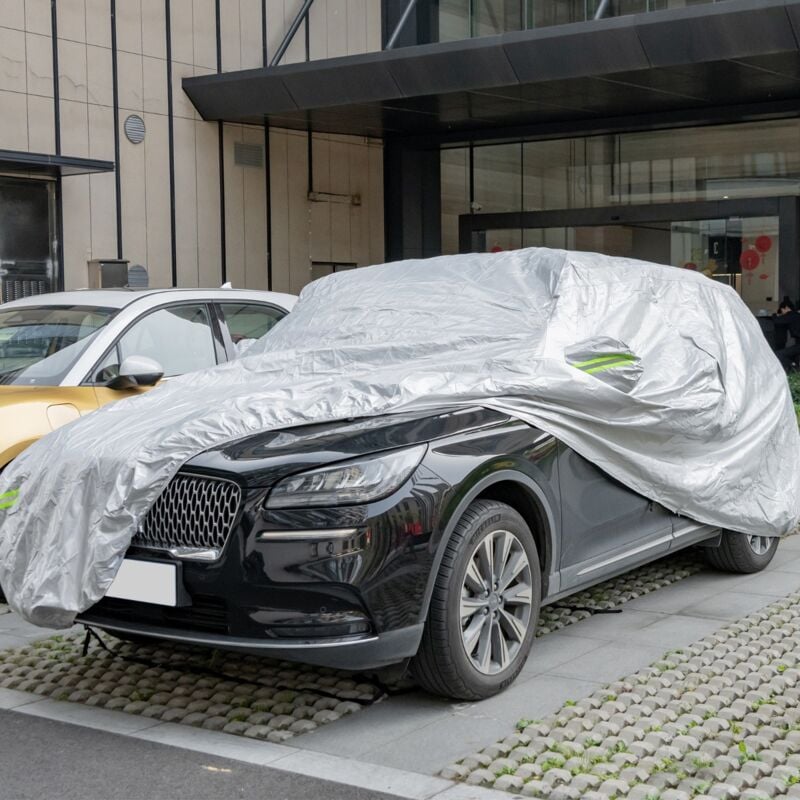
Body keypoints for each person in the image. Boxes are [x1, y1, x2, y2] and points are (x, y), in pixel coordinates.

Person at [774, 299, 800, 371]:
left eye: (782, 310)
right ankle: (795, 366)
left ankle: (794, 366)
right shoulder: (796, 315)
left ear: (786, 308)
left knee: (778, 354)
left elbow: (777, 321)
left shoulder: (791, 315)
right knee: (794, 355)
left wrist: (775, 315)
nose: (782, 312)